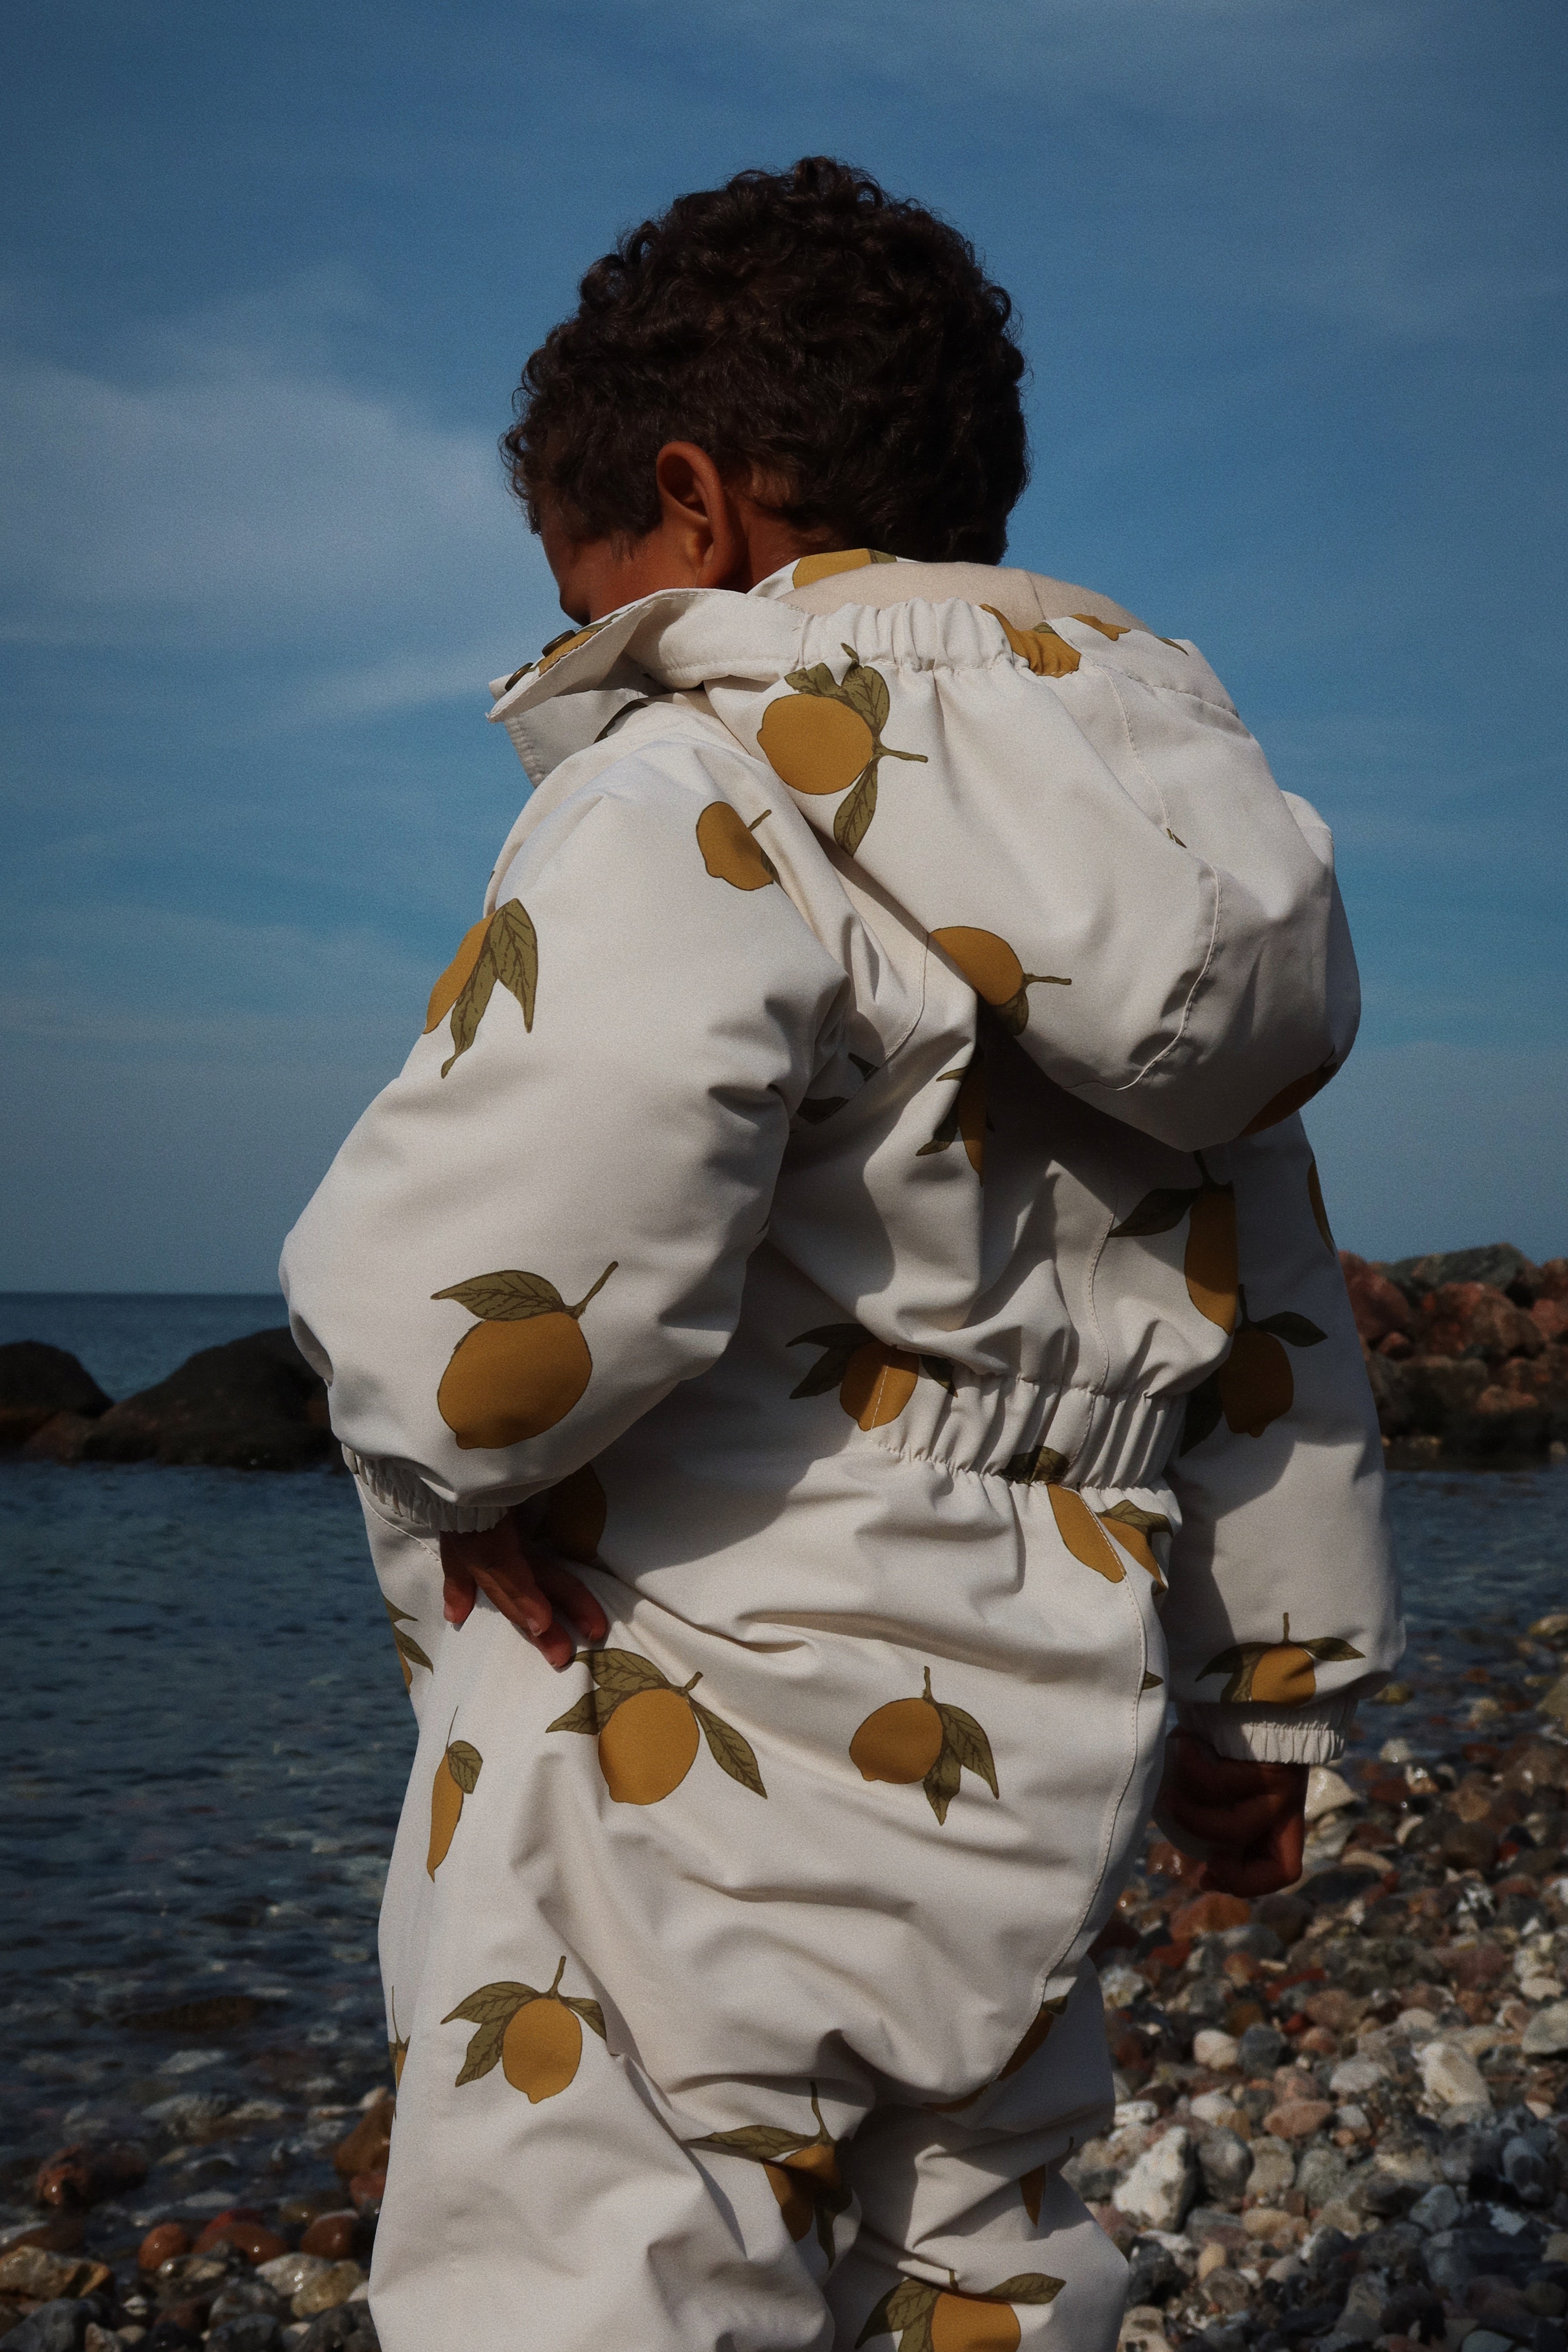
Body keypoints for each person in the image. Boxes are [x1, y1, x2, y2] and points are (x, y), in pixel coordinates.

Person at [280, 157, 1399, 2352]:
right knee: (980, 2237)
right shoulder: (1169, 872)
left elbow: (503, 1270)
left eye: (579, 598)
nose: (583, 654)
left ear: (693, 511)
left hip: (681, 1709)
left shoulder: (700, 780)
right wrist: (1271, 1702)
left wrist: (443, 1458)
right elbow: (1269, 1330)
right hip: (1028, 1749)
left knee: (588, 2256)